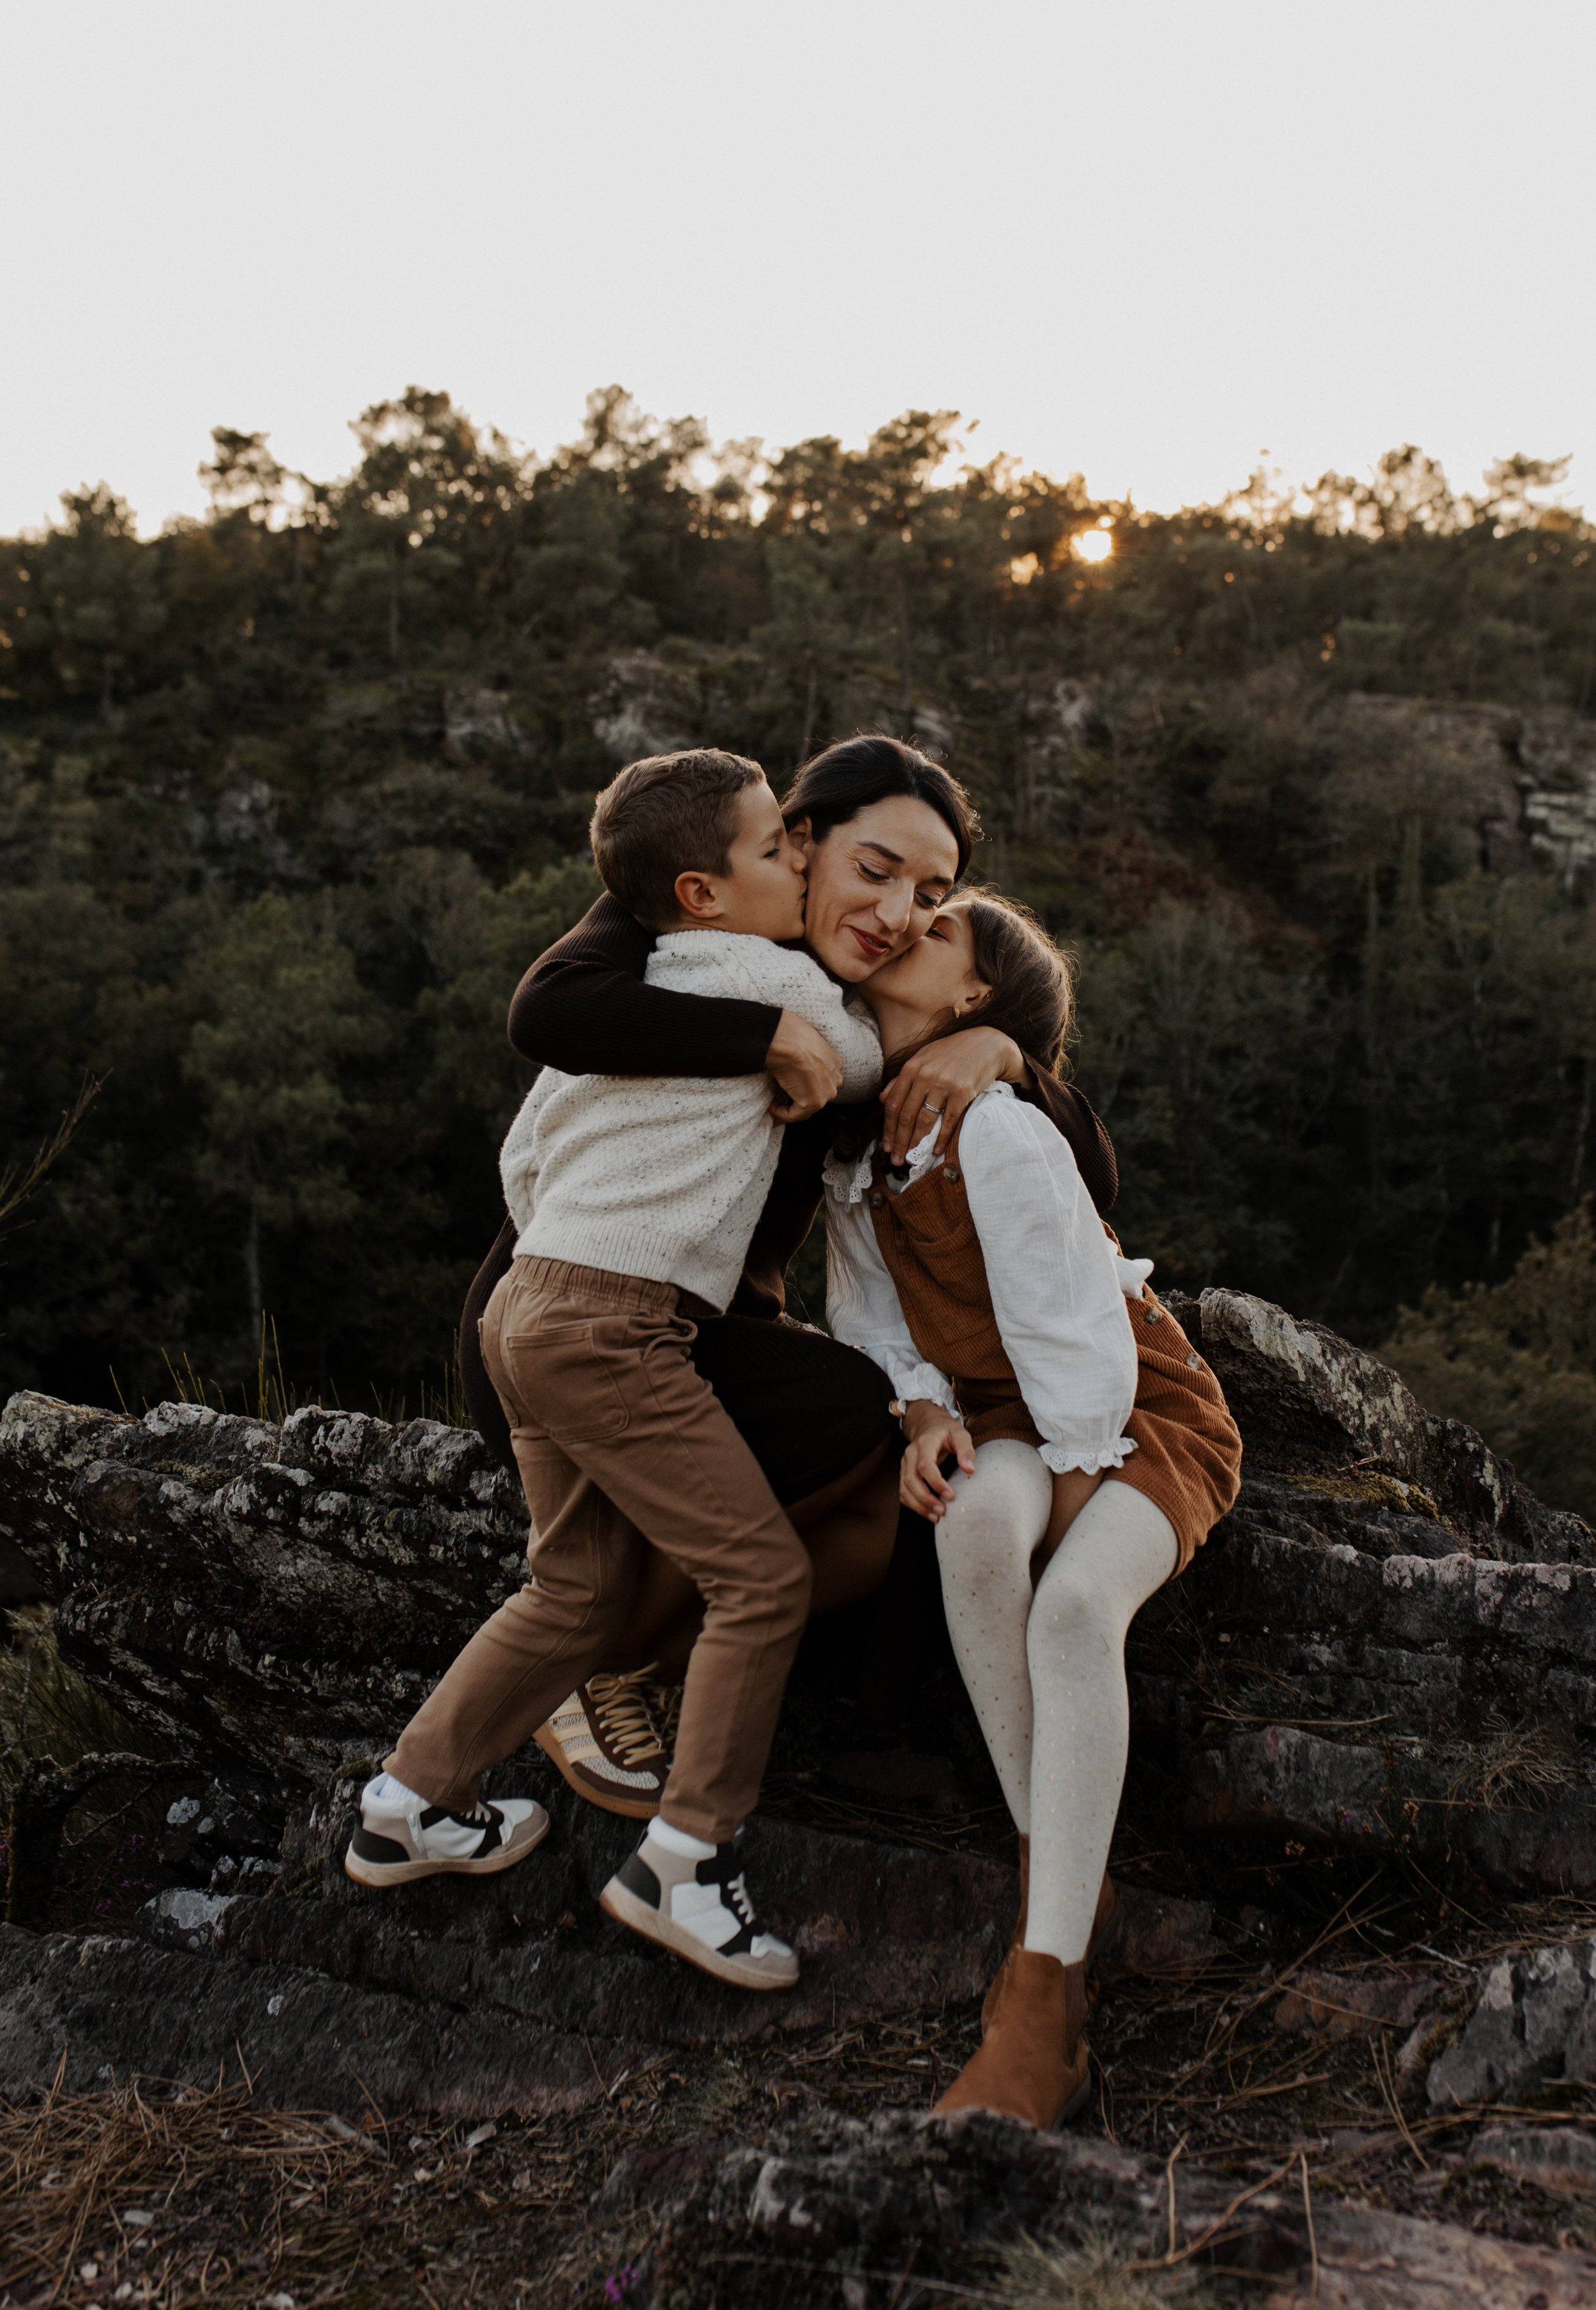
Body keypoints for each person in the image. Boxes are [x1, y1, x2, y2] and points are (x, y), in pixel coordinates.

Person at [460, 737, 1123, 1802]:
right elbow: (545, 1010)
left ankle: (680, 1675)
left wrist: (1001, 1054)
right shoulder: (686, 925)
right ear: (801, 843)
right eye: (874, 870)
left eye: (932, 893)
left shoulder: (876, 1030)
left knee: (896, 1508)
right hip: (575, 1317)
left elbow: (1086, 1175)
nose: (900, 910)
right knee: (853, 1408)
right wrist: (765, 1031)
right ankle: (579, 1669)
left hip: (700, 1335)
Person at [347, 747, 880, 1994]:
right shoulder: (766, 975)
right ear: (702, 892)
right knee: (756, 1576)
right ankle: (684, 1862)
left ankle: (406, 1804)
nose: (795, 863)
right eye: (771, 849)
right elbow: (856, 1060)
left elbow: (526, 1156)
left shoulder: (634, 981)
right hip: (612, 1324)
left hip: (527, 1302)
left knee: (575, 1593)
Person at [825, 886, 1242, 2128]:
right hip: (1001, 1412)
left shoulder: (1000, 1131)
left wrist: (1073, 1468)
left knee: (1068, 1613)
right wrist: (914, 1409)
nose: (904, 924)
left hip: (1134, 1409)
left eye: (938, 927)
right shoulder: (864, 1145)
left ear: (970, 1001)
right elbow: (864, 1308)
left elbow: (1087, 1355)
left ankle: (1043, 1992)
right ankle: (1058, 1869)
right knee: (970, 1527)